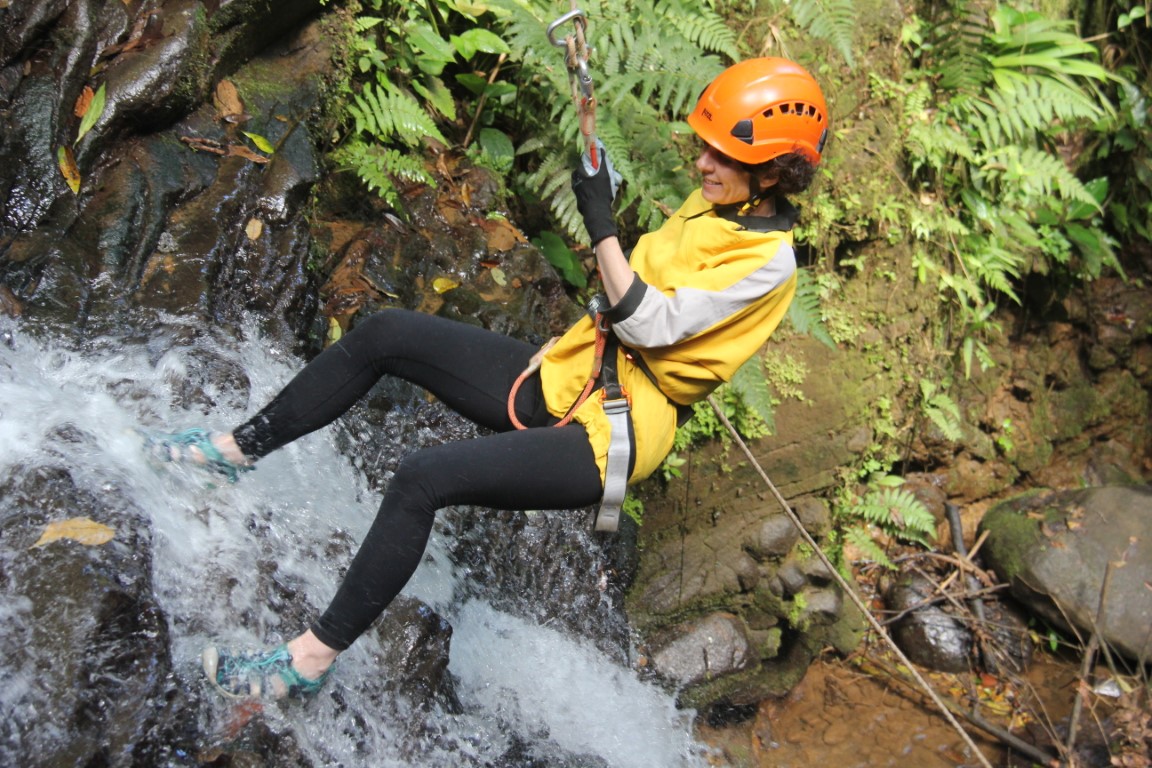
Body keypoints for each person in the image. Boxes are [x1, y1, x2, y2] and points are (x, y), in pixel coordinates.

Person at [150, 56, 829, 700]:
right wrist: (571, 326)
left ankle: (306, 661)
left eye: (723, 157)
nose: (702, 162)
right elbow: (646, 286)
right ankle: (235, 451)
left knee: (422, 479)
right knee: (385, 333)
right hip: (576, 372)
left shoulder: (769, 265)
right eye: (704, 148)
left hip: (614, 432)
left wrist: (599, 220)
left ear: (773, 173)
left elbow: (650, 324)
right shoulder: (721, 203)